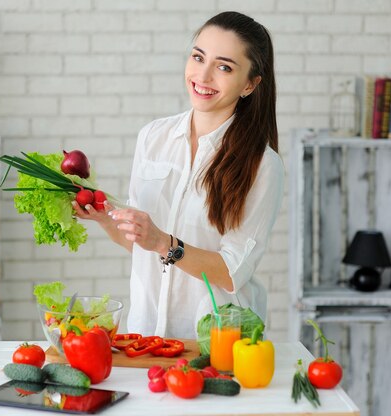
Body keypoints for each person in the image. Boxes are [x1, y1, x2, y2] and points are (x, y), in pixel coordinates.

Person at [72, 11, 284, 339]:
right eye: (198, 57)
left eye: (224, 66)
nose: (203, 75)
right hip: (146, 335)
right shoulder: (152, 138)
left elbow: (231, 273)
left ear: (250, 84)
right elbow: (143, 248)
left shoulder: (262, 165)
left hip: (218, 342)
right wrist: (105, 218)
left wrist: (162, 241)